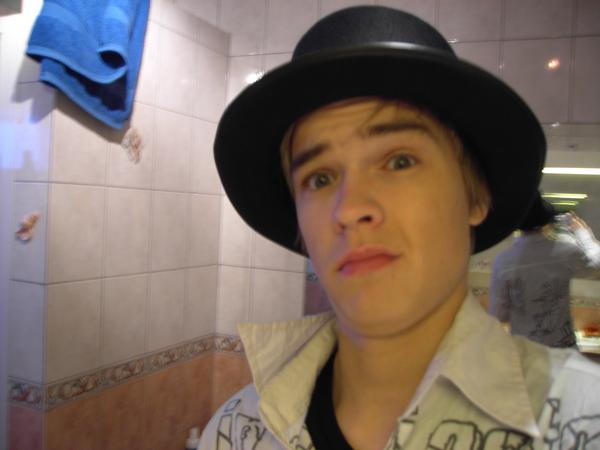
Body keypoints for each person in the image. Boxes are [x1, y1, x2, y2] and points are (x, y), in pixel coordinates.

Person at [200, 6, 600, 450]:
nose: (349, 208)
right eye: (320, 178)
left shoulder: (583, 425)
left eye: (400, 161)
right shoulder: (236, 432)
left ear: (475, 197)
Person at [489, 193, 600, 348]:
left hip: (527, 350)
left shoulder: (504, 261)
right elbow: (597, 264)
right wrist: (582, 231)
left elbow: (499, 314)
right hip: (562, 349)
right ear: (548, 223)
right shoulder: (565, 253)